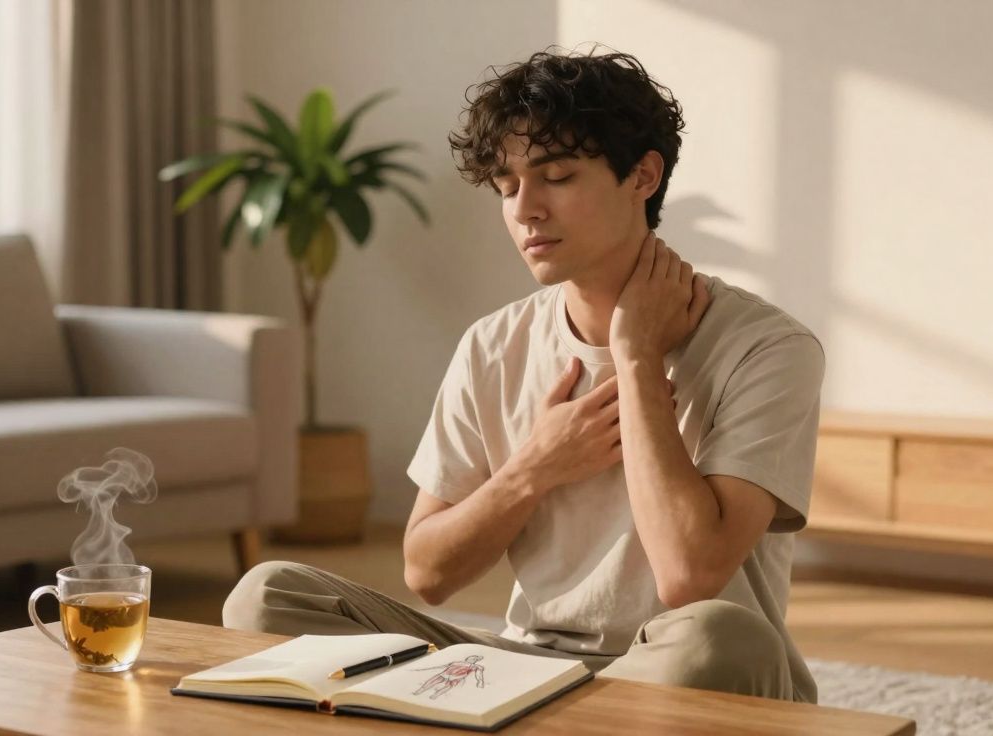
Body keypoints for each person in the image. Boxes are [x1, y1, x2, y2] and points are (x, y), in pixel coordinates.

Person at [223, 46, 824, 704]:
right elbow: (426, 571)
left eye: (557, 176)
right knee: (266, 595)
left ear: (643, 176)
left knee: (720, 638)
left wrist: (636, 356)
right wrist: (534, 466)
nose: (525, 209)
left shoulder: (767, 348)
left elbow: (690, 576)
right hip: (533, 668)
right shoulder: (492, 344)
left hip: (681, 675)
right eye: (506, 188)